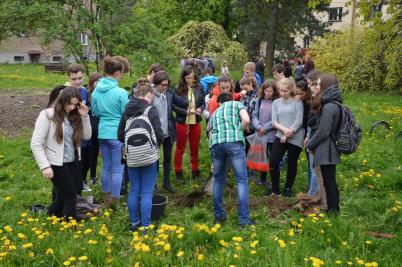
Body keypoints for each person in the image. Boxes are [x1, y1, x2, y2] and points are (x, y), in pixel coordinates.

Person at [31, 87, 91, 219]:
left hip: (74, 162)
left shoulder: (75, 115)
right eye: (69, 103)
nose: (71, 107)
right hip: (56, 163)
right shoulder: (47, 115)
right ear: (62, 100)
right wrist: (45, 166)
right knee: (70, 197)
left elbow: (87, 136)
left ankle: (45, 215)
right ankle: (70, 230)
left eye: (75, 104)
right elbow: (36, 143)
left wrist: (85, 117)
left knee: (61, 198)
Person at [118, 84, 164, 231]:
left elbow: (120, 135)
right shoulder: (150, 110)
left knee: (134, 190)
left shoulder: (126, 111)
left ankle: (134, 223)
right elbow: (159, 134)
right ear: (149, 95)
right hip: (149, 156)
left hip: (132, 158)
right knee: (146, 192)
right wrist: (154, 146)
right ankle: (145, 227)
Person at [209, 91, 254, 228]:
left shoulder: (214, 114)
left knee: (218, 181)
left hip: (216, 145)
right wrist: (239, 131)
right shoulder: (236, 104)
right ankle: (244, 221)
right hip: (234, 143)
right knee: (241, 180)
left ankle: (219, 217)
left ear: (219, 103)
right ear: (231, 99)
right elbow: (246, 120)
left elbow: (210, 134)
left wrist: (213, 159)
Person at [92, 56, 130, 208]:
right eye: (122, 73)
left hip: (102, 133)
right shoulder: (120, 92)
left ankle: (106, 198)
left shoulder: (96, 92)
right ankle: (115, 200)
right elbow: (126, 115)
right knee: (118, 168)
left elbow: (95, 112)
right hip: (118, 135)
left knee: (106, 166)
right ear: (117, 73)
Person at [307, 73, 342, 214]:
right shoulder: (330, 104)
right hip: (327, 146)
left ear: (326, 86)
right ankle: (333, 208)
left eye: (320, 84)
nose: (318, 86)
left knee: (329, 181)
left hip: (327, 148)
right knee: (329, 181)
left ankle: (333, 211)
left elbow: (323, 131)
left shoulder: (329, 107)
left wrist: (310, 144)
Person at [152, 71, 188, 193]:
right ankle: (153, 184)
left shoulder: (168, 93)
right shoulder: (150, 94)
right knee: (154, 158)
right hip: (154, 133)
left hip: (168, 130)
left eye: (166, 85)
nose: (164, 87)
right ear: (156, 83)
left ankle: (166, 183)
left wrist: (192, 99)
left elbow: (182, 102)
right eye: (162, 85)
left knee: (167, 157)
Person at [268, 78, 304, 197]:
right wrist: (284, 133)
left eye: (285, 91)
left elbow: (298, 121)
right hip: (281, 135)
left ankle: (288, 188)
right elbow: (274, 122)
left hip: (296, 137)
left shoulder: (297, 102)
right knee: (273, 161)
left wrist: (288, 134)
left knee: (292, 163)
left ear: (291, 90)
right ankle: (275, 189)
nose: (282, 93)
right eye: (280, 90)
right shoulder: (276, 103)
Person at [173, 66, 205, 182]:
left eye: (192, 77)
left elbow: (203, 103)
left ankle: (195, 171)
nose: (190, 80)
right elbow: (174, 106)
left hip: (195, 122)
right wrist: (185, 111)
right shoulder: (178, 89)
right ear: (183, 77)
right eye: (187, 78)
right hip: (182, 122)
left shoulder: (199, 88)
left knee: (194, 148)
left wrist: (200, 109)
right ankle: (178, 172)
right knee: (180, 148)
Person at [67, 64, 92, 192]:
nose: (77, 81)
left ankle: (82, 181)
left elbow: (88, 109)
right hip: (70, 134)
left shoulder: (84, 91)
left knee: (86, 161)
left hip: (84, 132)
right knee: (73, 162)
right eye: (74, 79)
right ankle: (72, 188)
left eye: (80, 78)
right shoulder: (64, 93)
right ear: (69, 78)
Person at [252, 80, 279, 184]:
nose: (267, 93)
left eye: (269, 92)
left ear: (274, 92)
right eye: (265, 91)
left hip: (272, 134)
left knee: (272, 159)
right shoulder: (259, 100)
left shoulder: (276, 102)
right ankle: (262, 179)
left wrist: (265, 128)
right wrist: (258, 127)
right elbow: (254, 115)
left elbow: (276, 119)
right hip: (260, 134)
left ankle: (273, 180)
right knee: (263, 157)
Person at [84, 73, 103, 186]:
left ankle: (93, 176)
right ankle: (83, 178)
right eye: (97, 81)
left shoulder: (103, 94)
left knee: (95, 153)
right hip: (88, 128)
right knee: (88, 154)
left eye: (101, 81)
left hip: (99, 128)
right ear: (92, 82)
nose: (100, 83)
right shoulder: (87, 94)